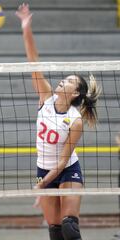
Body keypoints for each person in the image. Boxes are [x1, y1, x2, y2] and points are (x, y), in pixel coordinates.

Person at [16, 3, 101, 240]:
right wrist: (26, 27)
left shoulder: (75, 121)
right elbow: (34, 61)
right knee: (55, 232)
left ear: (75, 93)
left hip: (66, 170)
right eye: (64, 79)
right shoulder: (45, 97)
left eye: (69, 81)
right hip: (43, 168)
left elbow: (63, 161)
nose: (63, 81)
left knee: (68, 228)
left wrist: (43, 184)